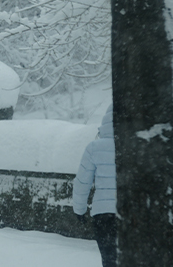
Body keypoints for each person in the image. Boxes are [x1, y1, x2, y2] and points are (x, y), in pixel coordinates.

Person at [73, 104, 116, 267]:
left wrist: (79, 209)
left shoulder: (94, 148)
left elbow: (82, 182)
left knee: (110, 259)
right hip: (131, 213)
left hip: (103, 215)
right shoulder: (136, 146)